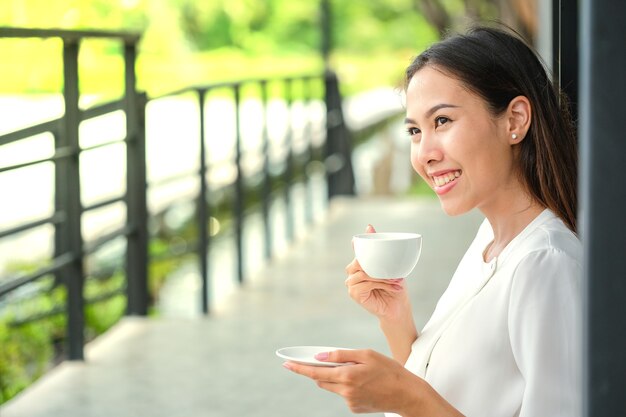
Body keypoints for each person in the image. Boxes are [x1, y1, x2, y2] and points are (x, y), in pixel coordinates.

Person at [282, 24, 581, 417]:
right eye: (414, 130)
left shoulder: (546, 264)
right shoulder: (490, 241)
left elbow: (424, 402)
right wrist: (395, 317)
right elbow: (447, 389)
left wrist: (406, 397)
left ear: (515, 120)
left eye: (442, 121)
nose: (424, 154)